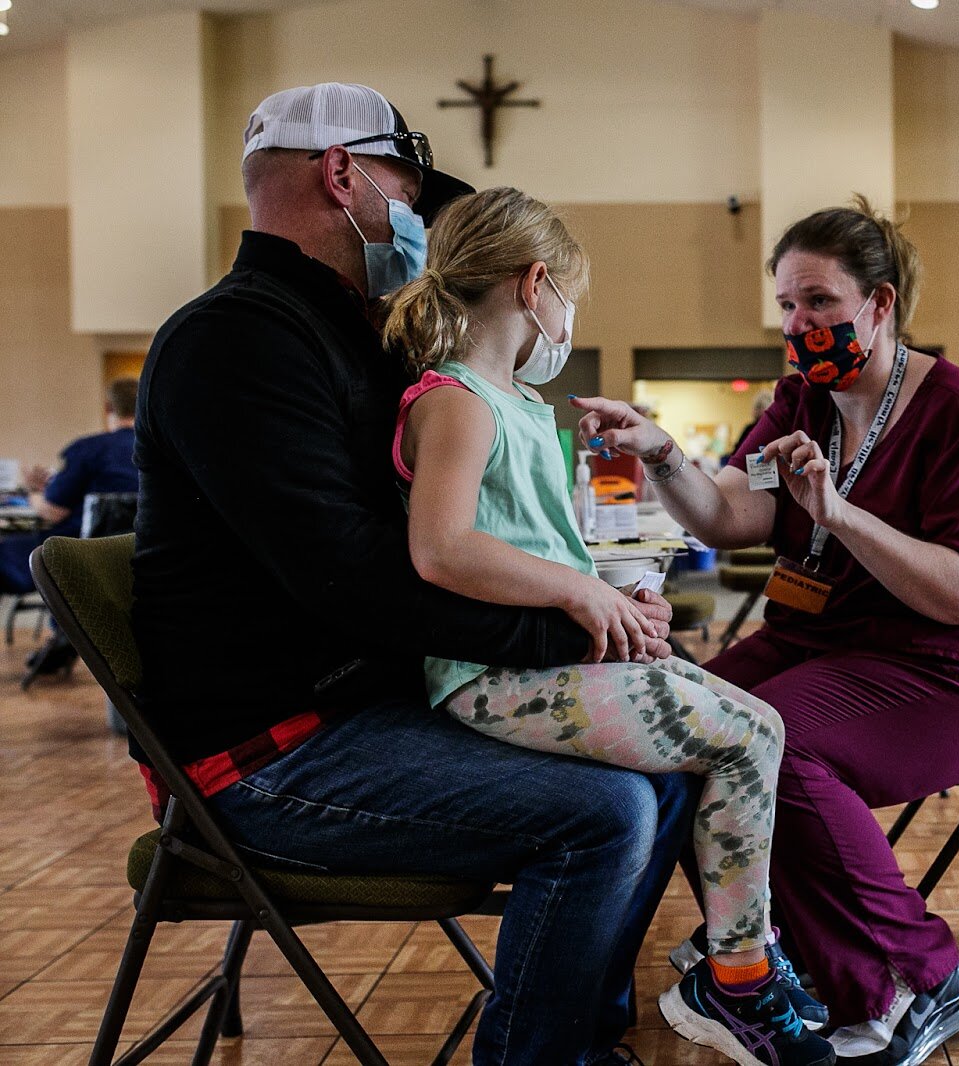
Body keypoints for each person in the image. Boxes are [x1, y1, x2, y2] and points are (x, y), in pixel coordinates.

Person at [131, 82, 688, 1066]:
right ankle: (536, 1054)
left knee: (670, 761)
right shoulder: (236, 339)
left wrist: (597, 609)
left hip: (373, 705)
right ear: (342, 173)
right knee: (604, 815)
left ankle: (578, 1033)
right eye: (408, 184)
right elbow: (353, 578)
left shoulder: (356, 335)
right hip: (270, 751)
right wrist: (575, 625)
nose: (423, 219)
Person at [571, 196, 959, 1064]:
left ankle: (919, 976)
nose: (800, 324)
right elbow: (727, 516)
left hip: (957, 664)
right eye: (789, 307)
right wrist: (660, 453)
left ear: (880, 303)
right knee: (673, 719)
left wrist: (840, 514)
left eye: (820, 302)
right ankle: (760, 950)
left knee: (767, 745)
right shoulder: (803, 399)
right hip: (828, 640)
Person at [382, 186, 834, 1066]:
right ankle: (740, 973)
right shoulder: (457, 399)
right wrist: (582, 595)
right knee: (750, 735)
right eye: (571, 299)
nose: (570, 320)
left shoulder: (512, 402)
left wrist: (615, 599)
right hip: (491, 680)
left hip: (543, 669)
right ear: (535, 285)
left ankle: (732, 966)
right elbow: (441, 548)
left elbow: (536, 545)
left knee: (748, 721)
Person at [0, 377, 139, 597]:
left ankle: (62, 626)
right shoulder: (160, 452)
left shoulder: (89, 450)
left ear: (108, 407)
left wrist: (34, 493)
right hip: (140, 554)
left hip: (79, 553)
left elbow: (53, 511)